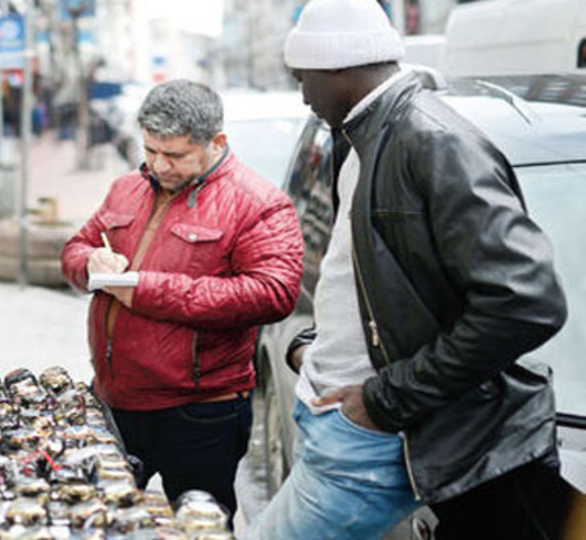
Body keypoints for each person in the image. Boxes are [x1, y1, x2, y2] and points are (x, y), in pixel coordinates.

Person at [246, 0, 573, 538]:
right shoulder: (365, 139)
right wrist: (315, 345)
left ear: (338, 67)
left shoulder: (432, 141)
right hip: (352, 428)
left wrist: (384, 398)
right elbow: (384, 284)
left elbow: (527, 301)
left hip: (378, 439)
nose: (302, 95)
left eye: (303, 78)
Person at [60, 79, 304, 519]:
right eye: (151, 150)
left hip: (198, 413)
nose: (159, 165)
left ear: (217, 142)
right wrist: (90, 261)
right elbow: (74, 248)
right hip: (114, 400)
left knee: (200, 524)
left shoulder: (259, 204)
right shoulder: (126, 188)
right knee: (101, 521)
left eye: (174, 155)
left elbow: (273, 293)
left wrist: (144, 289)